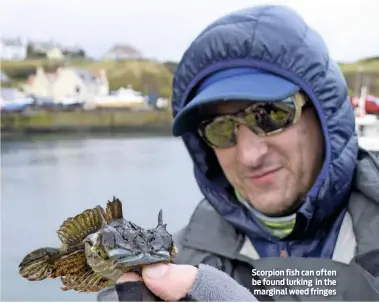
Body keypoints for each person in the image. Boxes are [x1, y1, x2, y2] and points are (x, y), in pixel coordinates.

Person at [98, 4, 379, 301]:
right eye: (219, 129)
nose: (249, 155)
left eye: (270, 114)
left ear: (325, 113)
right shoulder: (168, 270)